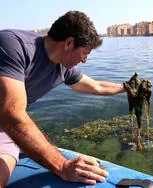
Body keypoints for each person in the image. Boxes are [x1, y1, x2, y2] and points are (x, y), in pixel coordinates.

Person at [0, 11, 126, 187]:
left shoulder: (64, 68)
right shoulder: (13, 45)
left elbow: (97, 86)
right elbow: (12, 115)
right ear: (69, 43)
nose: (85, 60)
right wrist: (62, 165)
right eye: (85, 53)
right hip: (7, 124)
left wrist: (128, 87)